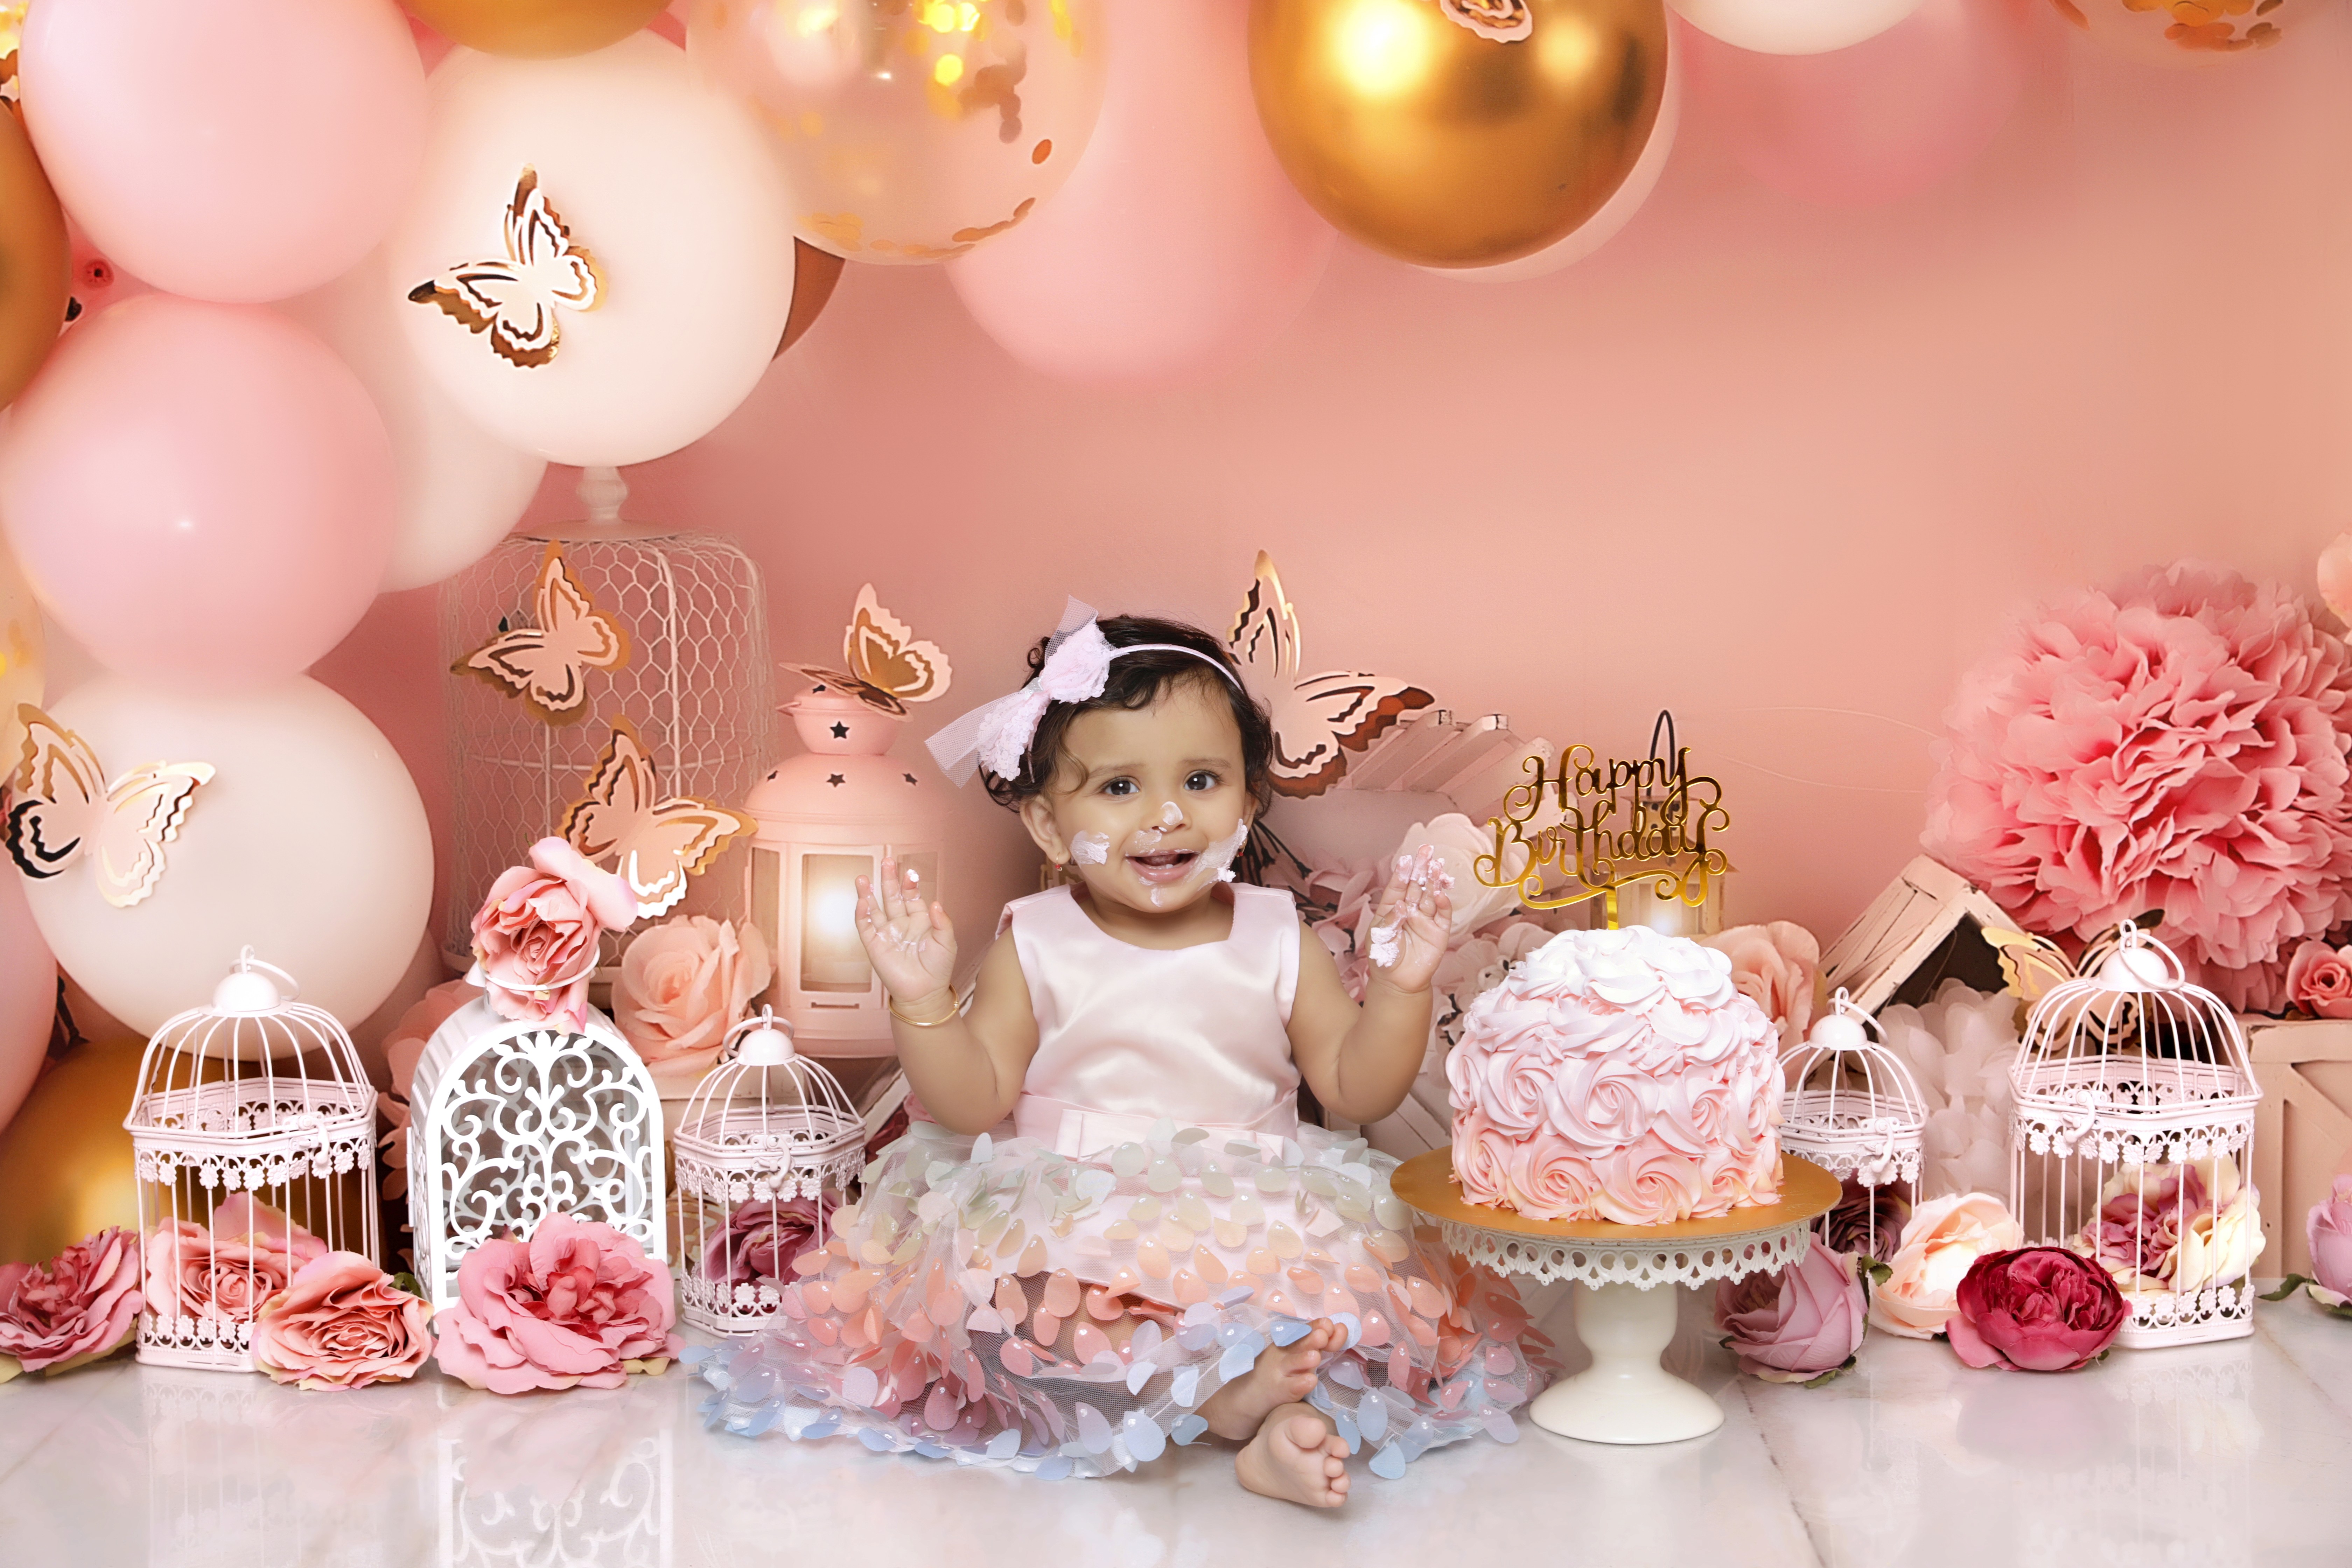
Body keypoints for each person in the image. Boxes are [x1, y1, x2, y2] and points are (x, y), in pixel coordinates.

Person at [696, 602, 1546, 1506]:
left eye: (1203, 779)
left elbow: (1355, 1083)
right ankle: (1220, 1403)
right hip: (1072, 1211)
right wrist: (924, 1001)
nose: (1166, 814)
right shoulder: (1040, 938)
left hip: (1257, 1209)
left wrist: (1406, 984)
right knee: (1015, 1310)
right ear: (1049, 828)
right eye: (1118, 788)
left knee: (1343, 1323)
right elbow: (974, 1100)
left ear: (1250, 800)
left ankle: (1282, 1425)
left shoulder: (1274, 934)